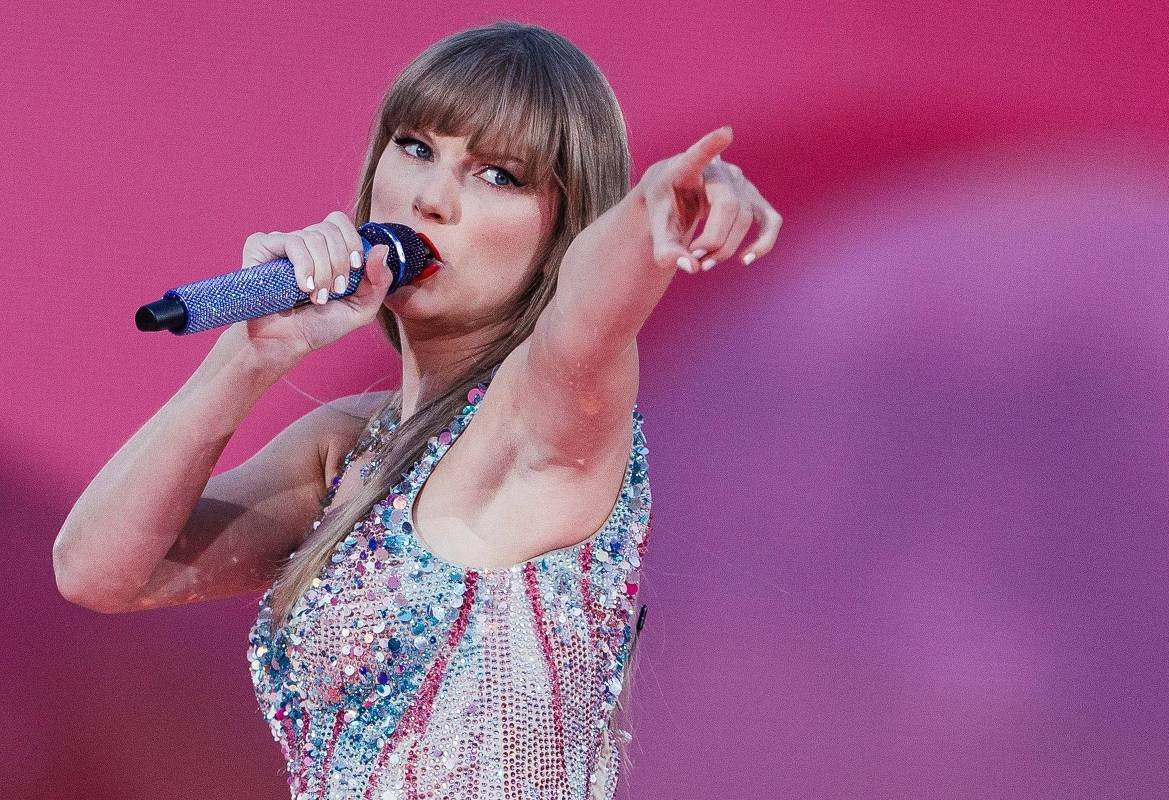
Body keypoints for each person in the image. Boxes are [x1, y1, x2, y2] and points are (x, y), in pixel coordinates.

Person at [52, 20, 781, 800]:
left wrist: (654, 208)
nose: (431, 198)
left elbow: (587, 313)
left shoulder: (542, 419)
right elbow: (97, 572)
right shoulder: (345, 447)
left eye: (496, 175)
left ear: (562, 231)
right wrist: (249, 355)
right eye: (415, 146)